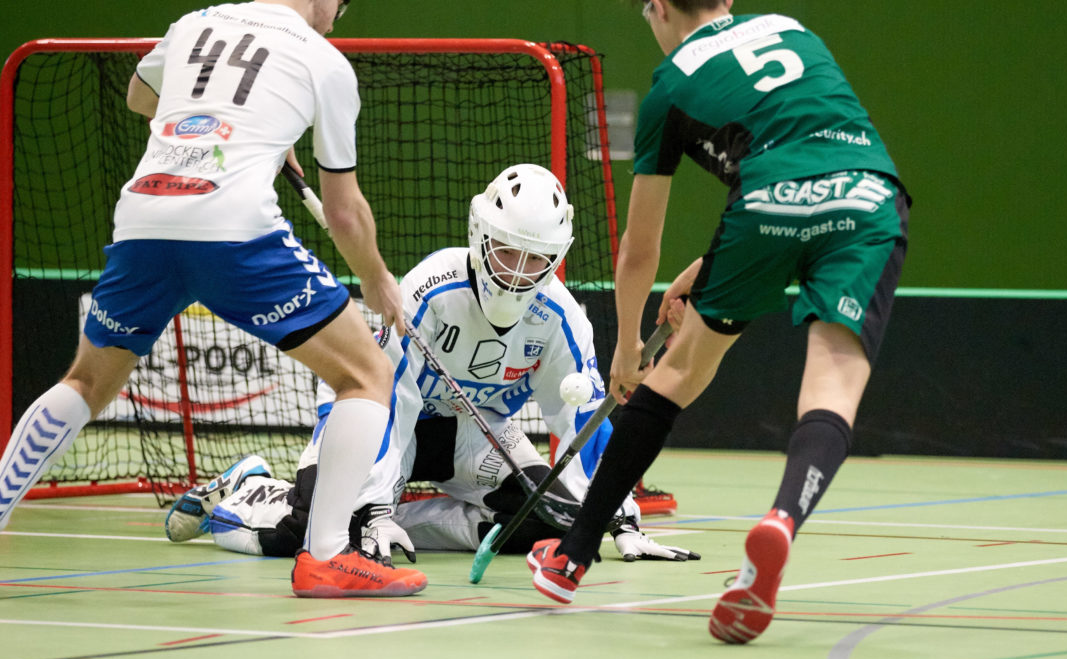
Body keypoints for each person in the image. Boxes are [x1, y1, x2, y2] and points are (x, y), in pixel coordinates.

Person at [0, 0, 427, 598]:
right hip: (234, 230)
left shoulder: (193, 26)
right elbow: (343, 210)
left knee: (88, 383)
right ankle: (327, 555)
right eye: (343, 0)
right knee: (366, 375)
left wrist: (238, 131)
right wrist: (377, 279)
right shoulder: (323, 61)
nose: (337, 16)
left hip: (145, 218)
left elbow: (140, 96)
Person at [526, 0, 911, 644]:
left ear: (656, 7)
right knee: (831, 379)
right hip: (865, 198)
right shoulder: (793, 30)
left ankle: (570, 559)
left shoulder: (669, 89)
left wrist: (629, 348)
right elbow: (808, 148)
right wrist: (712, 262)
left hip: (762, 209)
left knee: (677, 373)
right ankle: (783, 519)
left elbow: (640, 249)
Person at [163, 165, 697, 565]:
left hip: (471, 435)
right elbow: (389, 398)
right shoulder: (433, 288)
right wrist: (370, 504)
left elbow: (580, 419)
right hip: (378, 420)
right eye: (508, 251)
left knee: (546, 522)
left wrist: (619, 518)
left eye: (537, 258)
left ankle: (399, 524)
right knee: (306, 533)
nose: (519, 272)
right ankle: (247, 493)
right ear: (480, 235)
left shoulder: (559, 317)